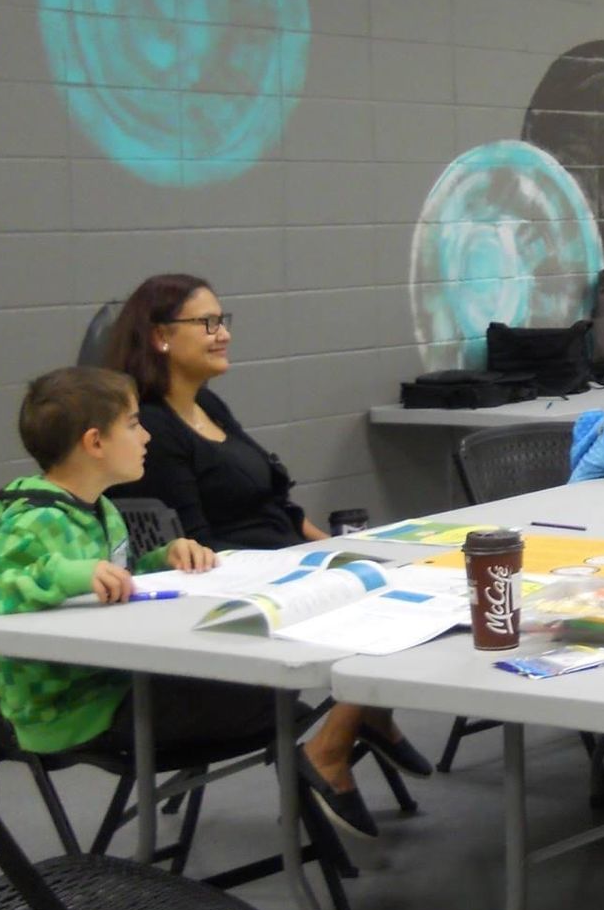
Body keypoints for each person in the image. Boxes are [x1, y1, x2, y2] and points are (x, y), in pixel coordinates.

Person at [104, 273, 421, 839]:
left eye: (223, 321)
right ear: (159, 337)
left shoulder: (210, 405)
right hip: (240, 585)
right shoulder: (152, 427)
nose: (222, 333)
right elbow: (196, 544)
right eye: (207, 323)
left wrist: (333, 545)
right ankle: (333, 743)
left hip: (287, 561)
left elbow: (274, 496)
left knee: (413, 577)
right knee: (384, 611)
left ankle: (365, 712)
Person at [0, 367, 276, 760]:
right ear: (95, 442)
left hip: (116, 684)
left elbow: (108, 585)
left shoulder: (103, 509)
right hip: (68, 713)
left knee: (262, 693)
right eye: (134, 425)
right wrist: (60, 575)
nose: (147, 436)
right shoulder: (33, 522)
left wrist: (162, 560)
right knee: (266, 700)